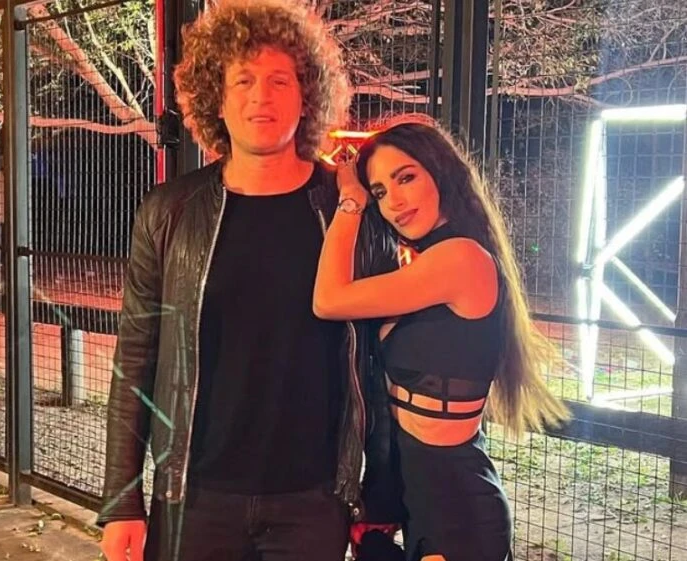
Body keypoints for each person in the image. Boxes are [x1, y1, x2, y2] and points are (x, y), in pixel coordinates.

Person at [95, 1, 401, 560]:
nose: (262, 96)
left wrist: (382, 492)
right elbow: (135, 358)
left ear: (307, 96)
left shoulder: (351, 209)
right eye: (243, 80)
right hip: (194, 499)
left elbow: (381, 361)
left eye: (280, 80)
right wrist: (121, 501)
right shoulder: (169, 213)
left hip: (314, 502)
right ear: (217, 97)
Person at [313, 119, 570, 561]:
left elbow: (328, 300)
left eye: (405, 178)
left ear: (440, 171)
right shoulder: (433, 261)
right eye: (379, 191)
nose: (393, 202)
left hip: (458, 512)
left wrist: (351, 200)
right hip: (424, 503)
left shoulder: (460, 259)